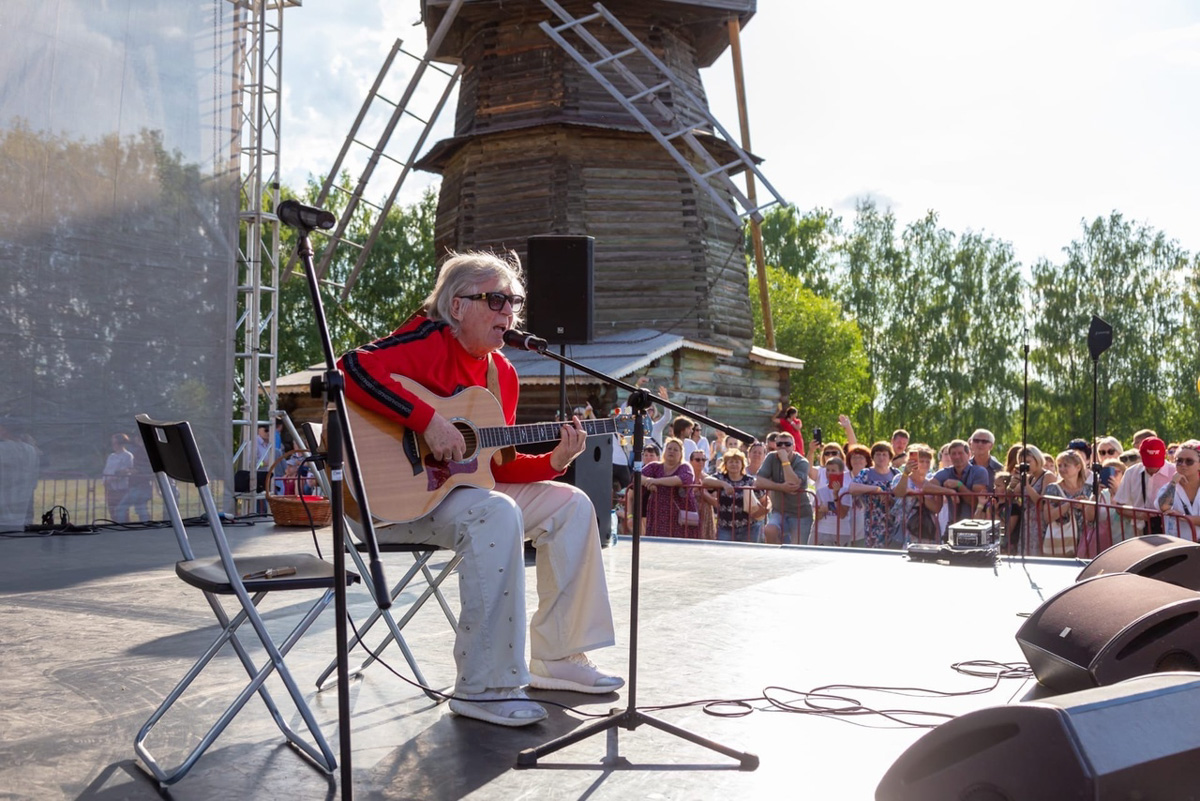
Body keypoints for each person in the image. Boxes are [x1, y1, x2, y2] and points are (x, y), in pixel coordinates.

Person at [337, 250, 621, 727]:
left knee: (572, 504)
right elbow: (350, 369)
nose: (507, 312)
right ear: (457, 307)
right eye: (494, 299)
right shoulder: (427, 341)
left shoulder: (501, 374)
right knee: (496, 512)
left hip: (459, 498)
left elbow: (493, 467)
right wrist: (426, 422)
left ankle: (558, 657)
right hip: (389, 504)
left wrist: (555, 462)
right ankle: (484, 686)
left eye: (513, 301)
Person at [1113, 436, 1176, 537]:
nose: (1153, 467)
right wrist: (1140, 515)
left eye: (1156, 461)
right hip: (1140, 532)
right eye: (1149, 462)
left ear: (1164, 455)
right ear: (1141, 456)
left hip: (1172, 532)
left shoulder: (1175, 472)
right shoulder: (1131, 472)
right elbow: (1119, 506)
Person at [756, 432, 811, 544]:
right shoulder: (771, 457)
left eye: (787, 444)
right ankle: (776, 559)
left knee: (799, 548)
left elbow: (792, 484)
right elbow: (758, 482)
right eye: (780, 444)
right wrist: (780, 487)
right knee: (770, 530)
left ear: (794, 446)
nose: (783, 447)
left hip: (801, 514)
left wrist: (785, 461)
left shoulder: (802, 462)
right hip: (779, 510)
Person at [641, 437, 699, 538]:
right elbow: (637, 476)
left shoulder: (685, 467)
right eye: (669, 448)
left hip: (680, 515)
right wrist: (648, 482)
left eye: (675, 449)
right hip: (658, 514)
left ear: (681, 454)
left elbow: (682, 479)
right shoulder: (654, 466)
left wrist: (655, 481)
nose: (671, 451)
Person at [705, 449, 765, 543]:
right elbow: (705, 481)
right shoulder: (720, 477)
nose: (734, 464)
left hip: (748, 527)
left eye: (737, 462)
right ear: (725, 464)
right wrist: (724, 484)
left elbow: (763, 498)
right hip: (725, 527)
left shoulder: (750, 481)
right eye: (731, 462)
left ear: (742, 465)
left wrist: (763, 510)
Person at [1042, 449, 1095, 557]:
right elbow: (1047, 517)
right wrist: (1069, 504)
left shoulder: (1089, 489)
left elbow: (1091, 518)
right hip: (1062, 541)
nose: (1061, 469)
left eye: (1066, 465)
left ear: (1078, 467)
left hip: (1085, 539)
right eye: (1059, 465)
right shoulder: (1052, 488)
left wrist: (1085, 506)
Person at [846, 441, 899, 548]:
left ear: (890, 457)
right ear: (873, 457)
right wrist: (875, 489)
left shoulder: (896, 473)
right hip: (874, 522)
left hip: (894, 521)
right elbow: (852, 487)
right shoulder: (866, 473)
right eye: (878, 454)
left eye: (884, 454)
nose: (881, 457)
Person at [926, 439, 988, 525]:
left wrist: (959, 486)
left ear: (969, 454)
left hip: (975, 524)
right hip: (953, 524)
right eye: (953, 454)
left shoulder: (979, 471)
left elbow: (975, 501)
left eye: (960, 453)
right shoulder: (945, 472)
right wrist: (949, 491)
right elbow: (926, 487)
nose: (957, 457)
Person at [892, 445, 940, 545]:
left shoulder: (932, 481)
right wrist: (906, 473)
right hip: (905, 525)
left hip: (927, 526)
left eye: (928, 461)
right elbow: (898, 493)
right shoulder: (900, 477)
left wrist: (919, 496)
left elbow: (936, 508)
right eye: (922, 461)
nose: (925, 464)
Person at [1157, 442, 1200, 541]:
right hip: (1178, 546)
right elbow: (1163, 507)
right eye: (1179, 461)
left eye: (1189, 461)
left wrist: (1184, 517)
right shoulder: (1169, 487)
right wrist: (1173, 482)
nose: (1183, 465)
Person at [812, 457, 853, 546]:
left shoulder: (846, 490)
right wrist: (821, 511)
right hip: (822, 530)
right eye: (828, 470)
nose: (830, 473)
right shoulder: (820, 490)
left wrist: (835, 496)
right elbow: (818, 516)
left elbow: (842, 514)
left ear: (841, 472)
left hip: (841, 532)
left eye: (833, 470)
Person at [103, 433, 135, 523]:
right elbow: (106, 470)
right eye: (112, 443)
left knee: (122, 512)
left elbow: (125, 471)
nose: (113, 445)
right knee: (112, 511)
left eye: (115, 443)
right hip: (110, 489)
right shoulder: (111, 456)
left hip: (121, 489)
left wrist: (112, 477)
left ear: (121, 443)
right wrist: (105, 481)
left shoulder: (128, 456)